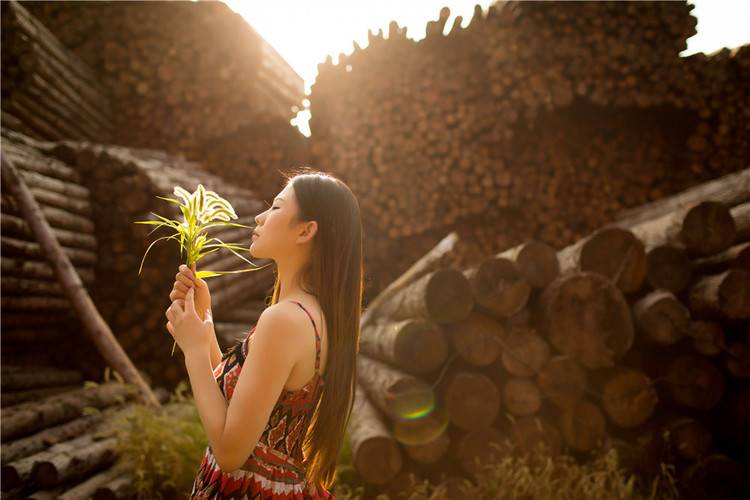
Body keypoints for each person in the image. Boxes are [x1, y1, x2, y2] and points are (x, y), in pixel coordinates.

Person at [165, 168, 363, 498]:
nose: (259, 217)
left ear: (305, 231)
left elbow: (230, 453)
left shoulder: (284, 319)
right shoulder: (313, 315)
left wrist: (195, 350)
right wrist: (205, 322)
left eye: (275, 207)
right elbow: (241, 403)